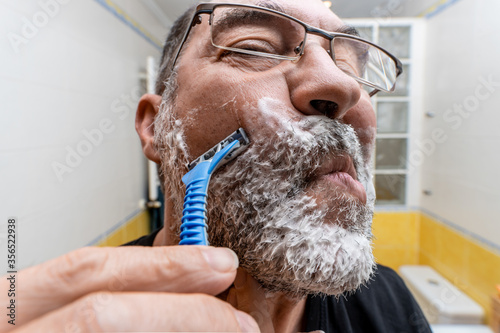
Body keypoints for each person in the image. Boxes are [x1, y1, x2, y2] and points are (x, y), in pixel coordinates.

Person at [1, 0, 432, 332]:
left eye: (352, 67)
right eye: (255, 48)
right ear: (156, 126)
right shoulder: (79, 317)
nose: (343, 86)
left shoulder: (389, 301)